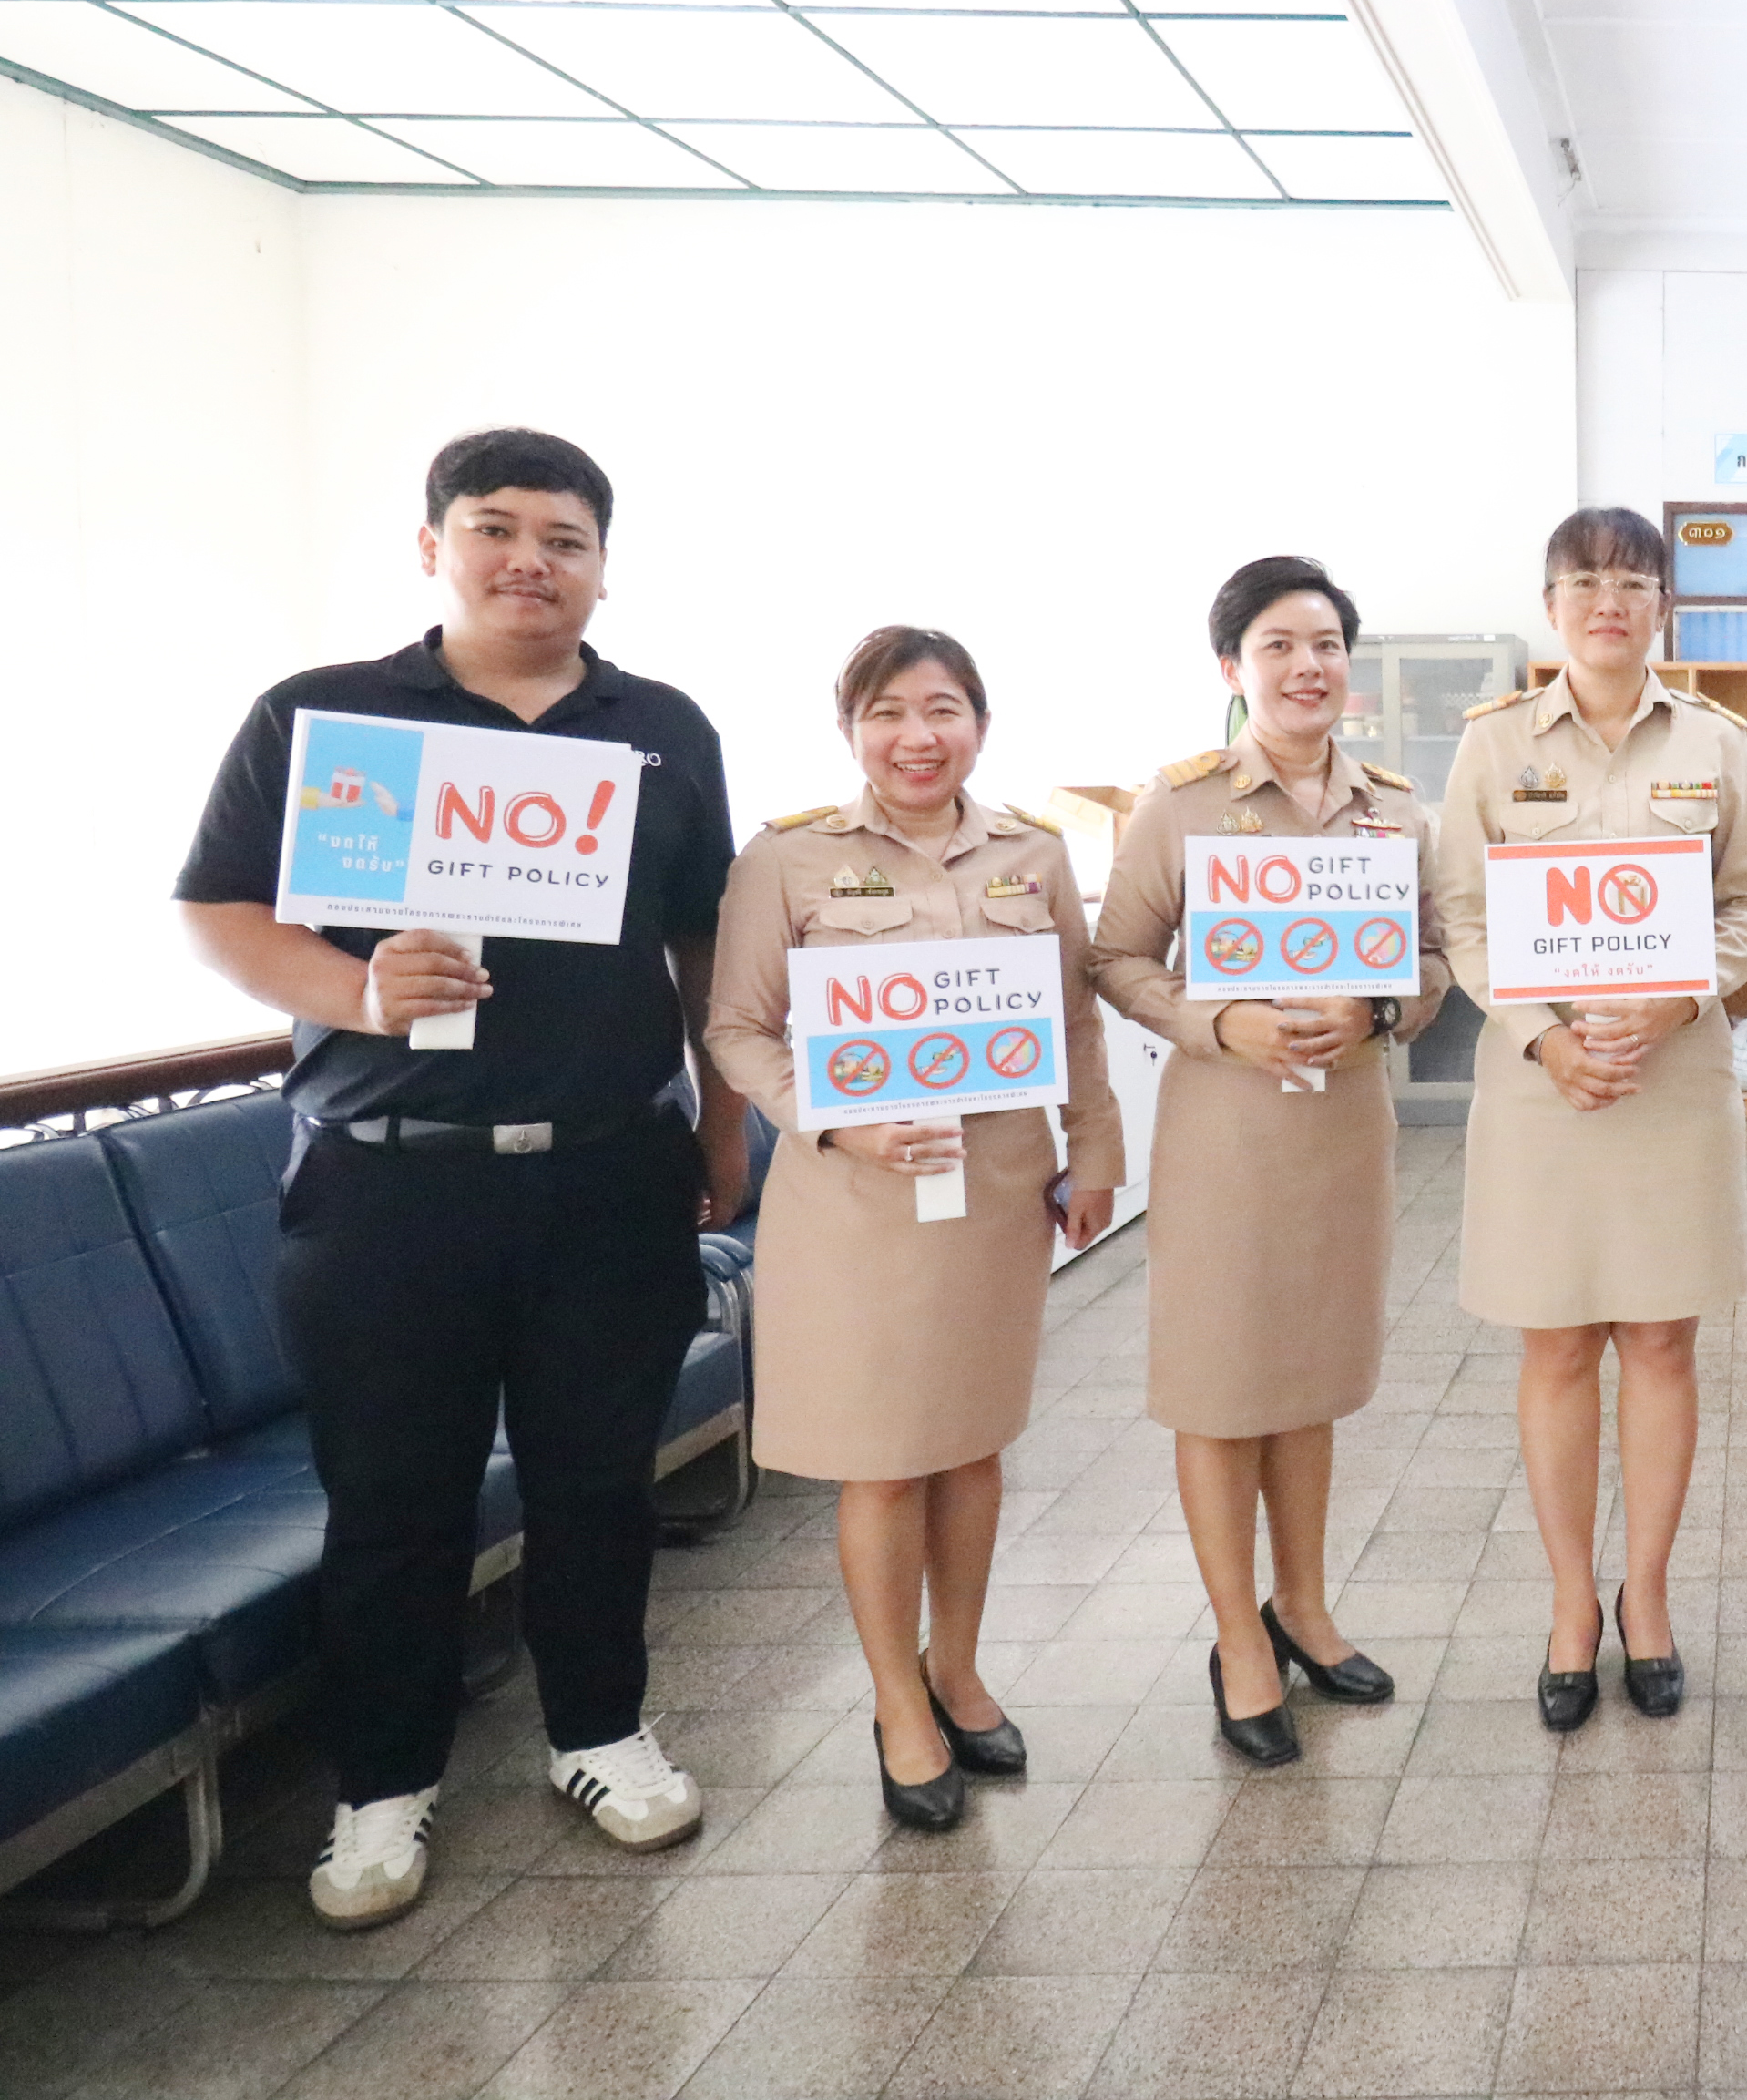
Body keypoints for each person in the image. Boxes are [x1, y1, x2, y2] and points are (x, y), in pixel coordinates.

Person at [175, 427, 744, 1928]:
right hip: (386, 1188)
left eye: (563, 538)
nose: (528, 561)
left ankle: (599, 1733)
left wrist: (723, 1128)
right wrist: (359, 991)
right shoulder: (326, 716)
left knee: (595, 1486)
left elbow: (705, 943)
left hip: (608, 1174)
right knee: (393, 1500)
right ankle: (381, 1785)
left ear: (603, 567)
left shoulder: (663, 728)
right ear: (432, 545)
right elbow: (219, 911)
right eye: (494, 529)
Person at [703, 628, 1120, 1829]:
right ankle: (897, 1702)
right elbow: (739, 1029)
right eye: (888, 712)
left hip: (993, 1188)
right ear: (852, 731)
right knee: (884, 1455)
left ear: (979, 725)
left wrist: (1094, 1151)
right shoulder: (789, 857)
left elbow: (1076, 1023)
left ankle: (960, 1667)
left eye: (943, 710)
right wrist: (836, 1121)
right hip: (856, 1201)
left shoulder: (1032, 855)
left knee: (973, 1441)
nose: (917, 736)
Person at [1089, 557, 1449, 1767]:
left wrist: (1385, 1014)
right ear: (1233, 670)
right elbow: (1119, 958)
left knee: (1310, 1374)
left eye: (1328, 645)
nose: (1309, 667)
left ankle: (1305, 1605)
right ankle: (1239, 1636)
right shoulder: (1181, 804)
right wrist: (1218, 1021)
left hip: (1342, 1129)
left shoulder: (1396, 809)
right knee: (1219, 1379)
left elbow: (1439, 957)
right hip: (1228, 1129)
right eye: (1280, 646)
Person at [1430, 508, 1747, 1733]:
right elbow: (1463, 918)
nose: (1610, 602)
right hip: (1545, 1093)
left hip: (1673, 1085)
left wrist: (1684, 1002)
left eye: (1635, 582)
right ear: (1552, 603)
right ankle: (1573, 1605)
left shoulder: (1717, 743)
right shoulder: (1492, 748)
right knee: (1559, 1348)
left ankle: (1651, 1600)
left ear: (1665, 605)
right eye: (1585, 581)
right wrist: (1548, 1037)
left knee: (1667, 1346)